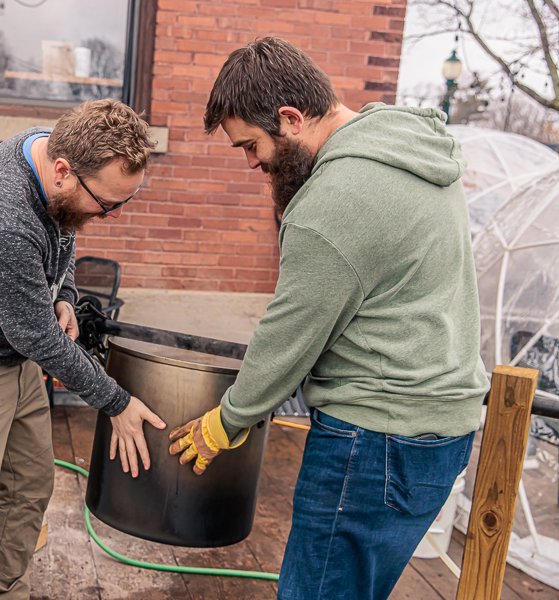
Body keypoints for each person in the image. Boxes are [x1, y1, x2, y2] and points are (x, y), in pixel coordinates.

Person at [168, 38, 490, 600]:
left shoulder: (334, 201)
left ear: (291, 118)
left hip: (374, 440)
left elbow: (290, 335)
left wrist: (227, 423)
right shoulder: (408, 147)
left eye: (252, 145)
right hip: (441, 433)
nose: (250, 164)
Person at [0, 99, 166, 600]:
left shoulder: (53, 150)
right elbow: (36, 338)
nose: (110, 214)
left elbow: (64, 236)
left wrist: (62, 296)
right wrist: (118, 402)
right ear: (63, 171)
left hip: (11, 354)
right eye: (107, 204)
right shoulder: (0, 218)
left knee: (28, 487)